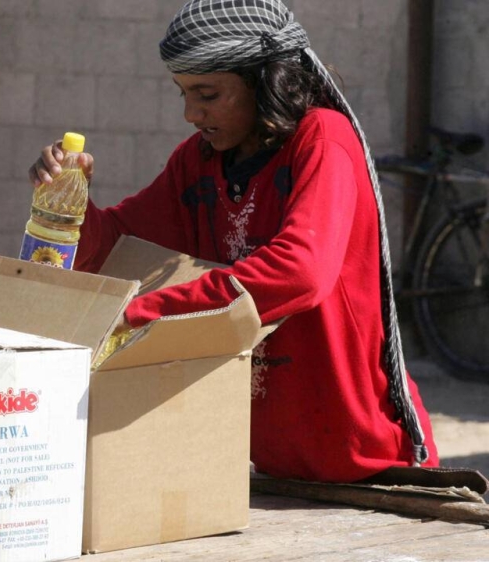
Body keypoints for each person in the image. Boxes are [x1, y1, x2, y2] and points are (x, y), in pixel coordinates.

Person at [29, 0, 439, 483]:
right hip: (272, 465)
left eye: (207, 94)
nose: (190, 113)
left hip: (366, 458)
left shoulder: (323, 140)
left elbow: (300, 272)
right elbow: (113, 247)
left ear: (266, 82)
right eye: (183, 93)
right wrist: (68, 202)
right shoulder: (197, 162)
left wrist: (146, 314)